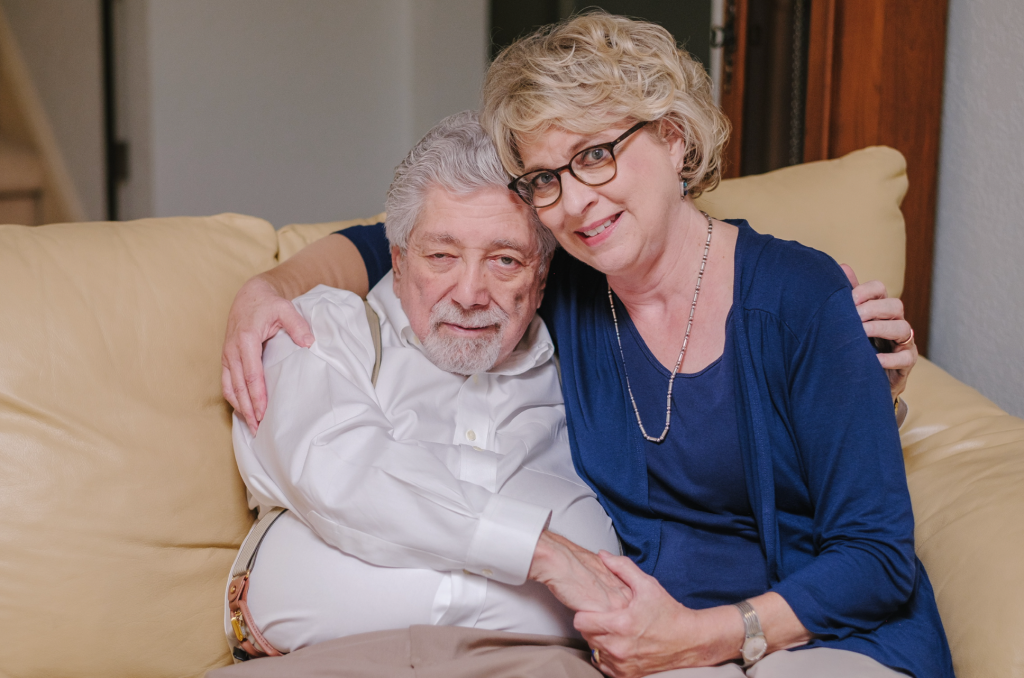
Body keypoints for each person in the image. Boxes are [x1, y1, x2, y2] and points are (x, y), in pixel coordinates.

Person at [220, 13, 945, 678]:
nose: (575, 200)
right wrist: (272, 284)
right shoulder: (569, 286)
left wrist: (712, 636)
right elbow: (425, 238)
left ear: (674, 138)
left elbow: (877, 560)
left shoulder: (799, 295)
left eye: (596, 154)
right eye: (546, 178)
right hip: (662, 644)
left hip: (816, 635)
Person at [215, 112, 622, 677]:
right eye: (442, 256)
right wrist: (544, 553)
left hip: (544, 664)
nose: (472, 293)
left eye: (505, 260)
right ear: (399, 260)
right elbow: (344, 470)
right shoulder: (321, 331)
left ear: (543, 274)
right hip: (333, 661)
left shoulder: (585, 363)